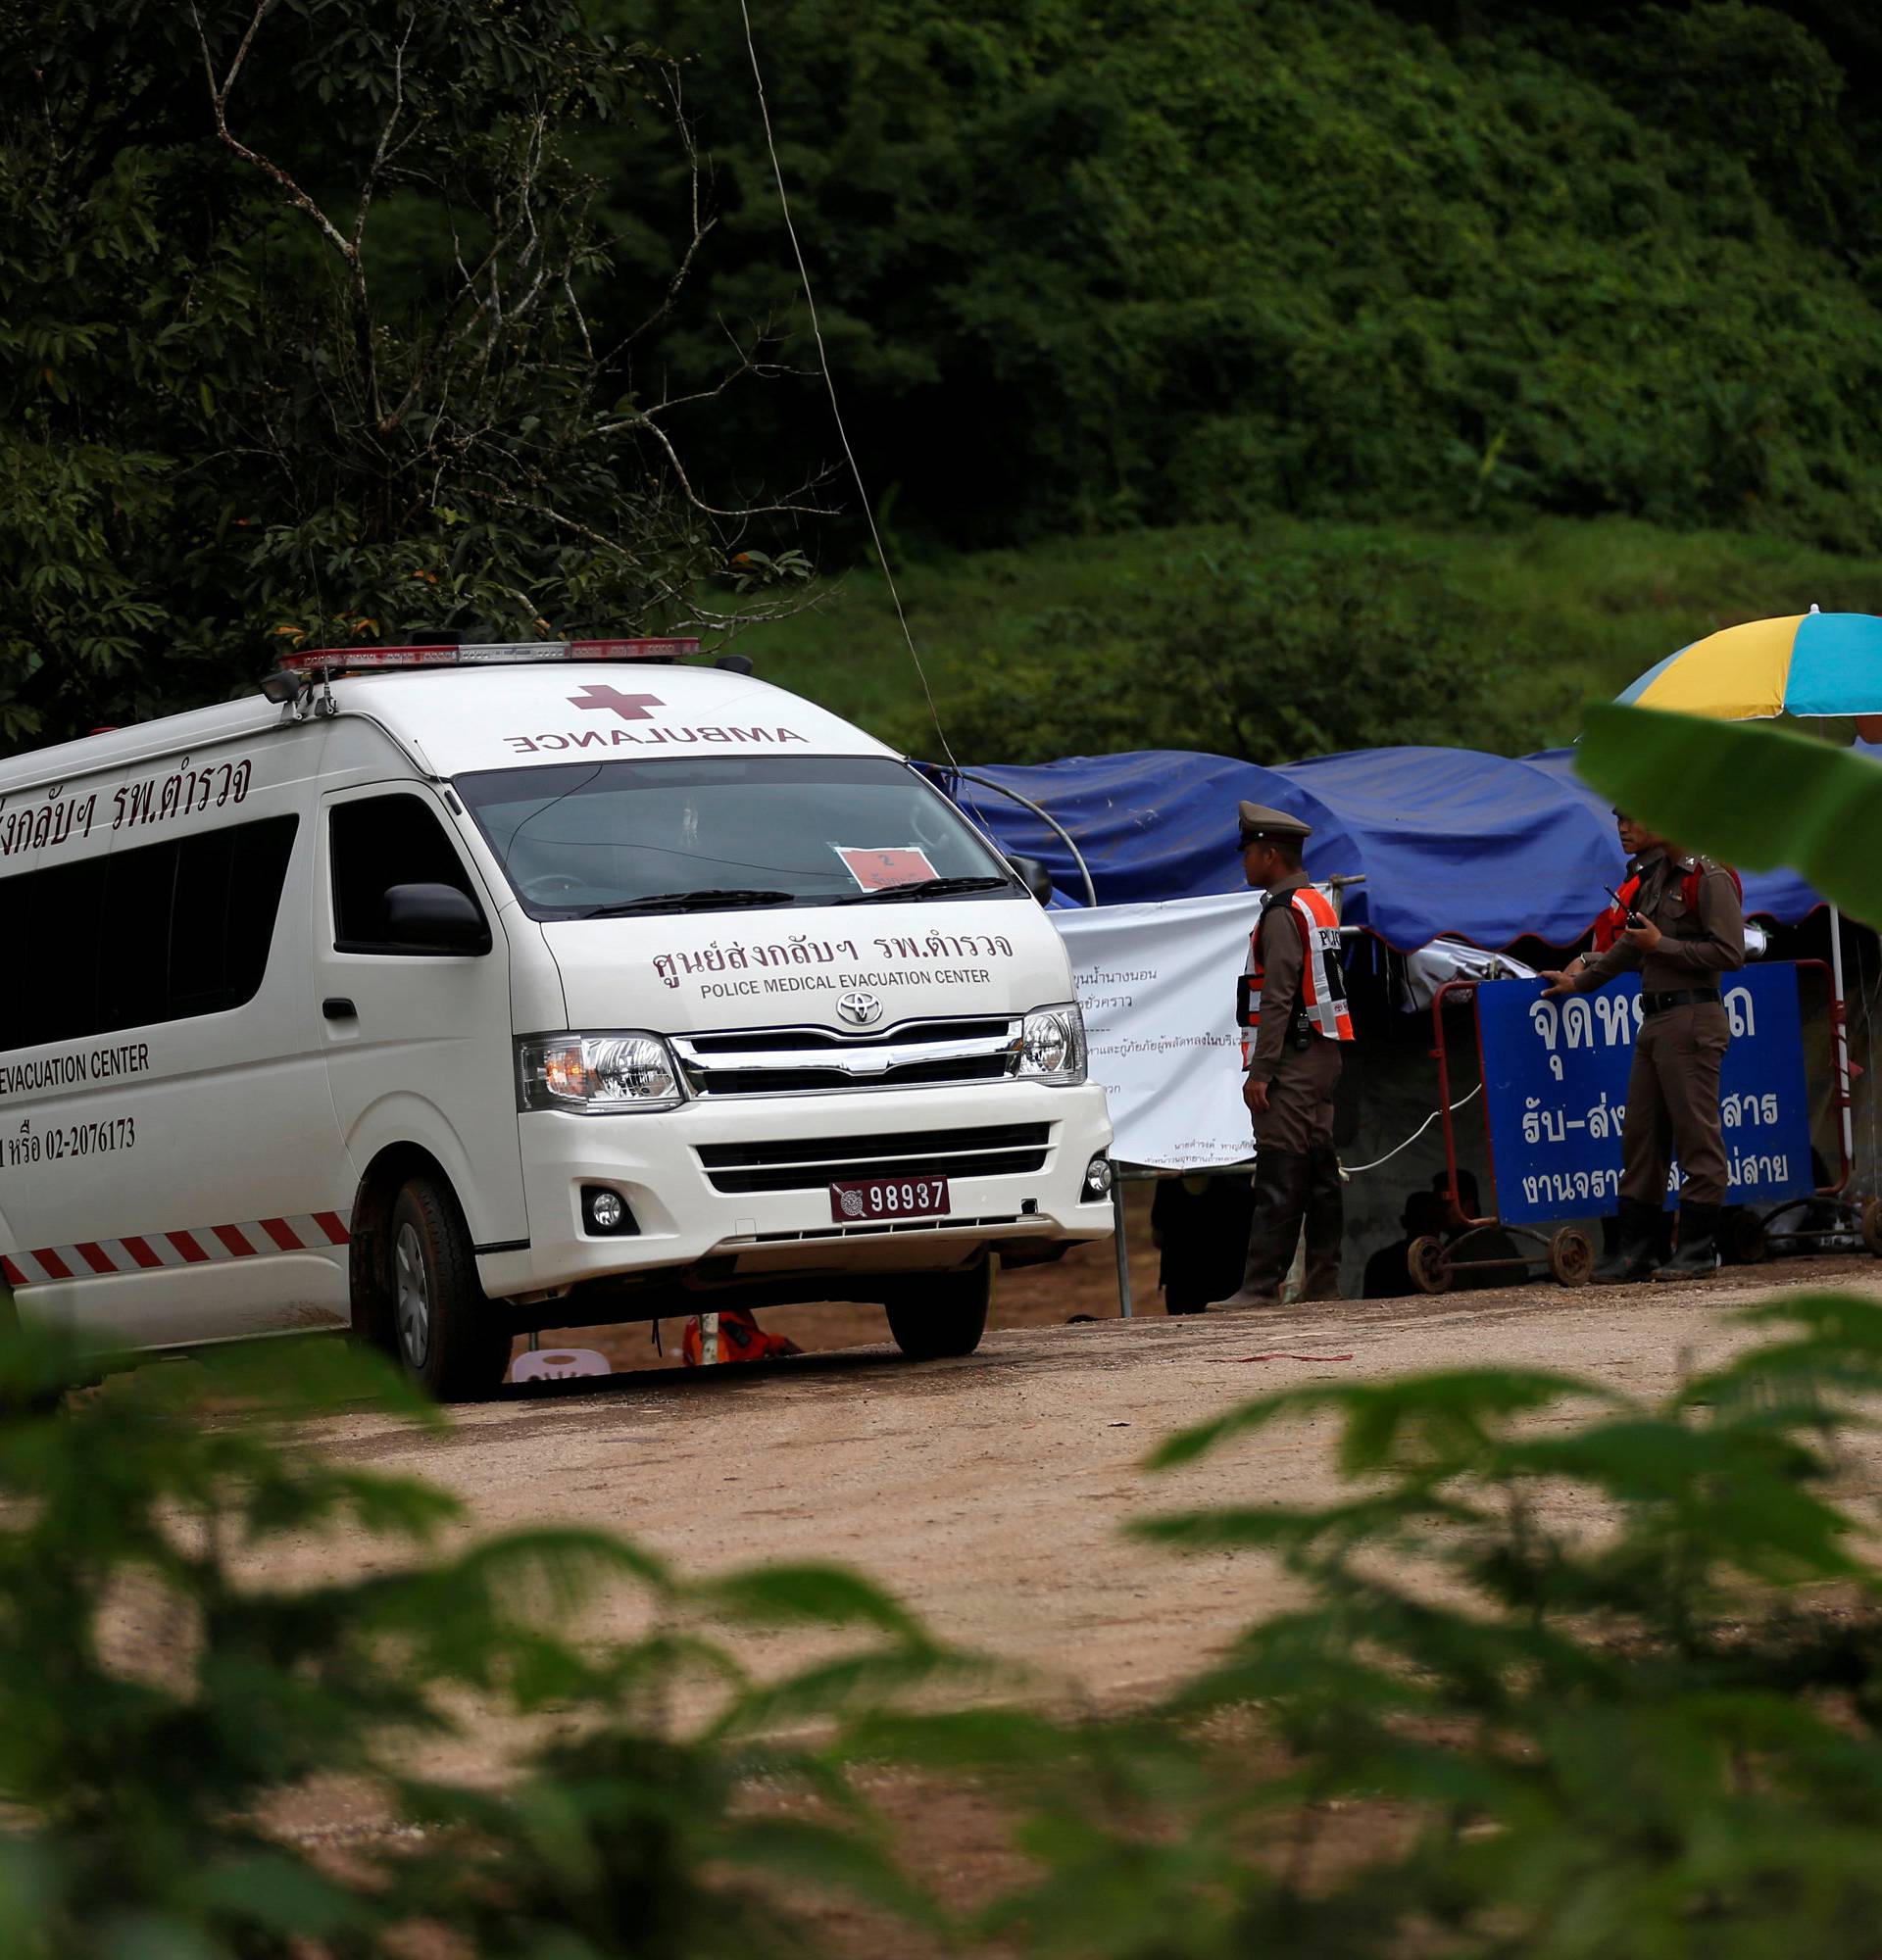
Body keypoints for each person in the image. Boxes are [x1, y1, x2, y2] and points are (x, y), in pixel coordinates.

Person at [1539, 818, 1745, 1283]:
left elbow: (1731, 953)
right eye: (1619, 819)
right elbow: (1631, 948)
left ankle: (1695, 1248)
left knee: (1697, 1136)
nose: (1624, 827)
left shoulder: (1707, 875)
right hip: (1654, 1020)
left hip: (1692, 1017)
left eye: (1634, 816)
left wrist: (1662, 944)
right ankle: (1638, 1250)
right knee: (1641, 1136)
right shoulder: (1655, 877)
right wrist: (1581, 981)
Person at [1211, 802, 1355, 1307]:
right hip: (1322, 1051)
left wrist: (1262, 1071)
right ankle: (1323, 1282)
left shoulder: (1280, 912)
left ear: (1270, 854)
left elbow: (1277, 996)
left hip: (1292, 1056)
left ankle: (1259, 1287)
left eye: (1249, 853)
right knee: (1318, 1164)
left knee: (1279, 1164)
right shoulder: (1315, 904)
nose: (1245, 862)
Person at [1152, 1171, 1258, 1314]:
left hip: (1183, 1285)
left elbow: (1158, 1237)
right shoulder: (1242, 1179)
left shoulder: (1169, 1181)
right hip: (1233, 1282)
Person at [1362, 1190, 1445, 1298]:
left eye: (1432, 1221)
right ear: (1405, 1222)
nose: (1426, 1228)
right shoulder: (1382, 1262)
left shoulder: (1445, 1262)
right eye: (1421, 1221)